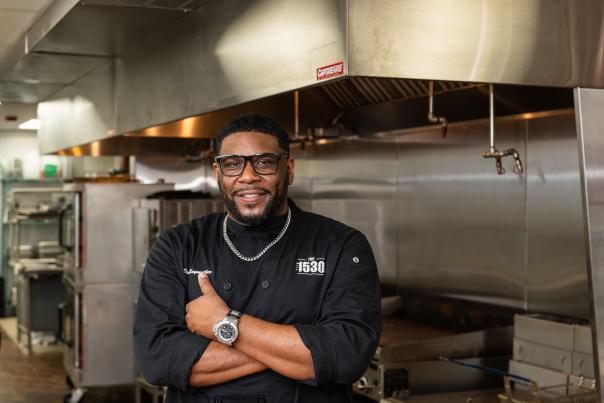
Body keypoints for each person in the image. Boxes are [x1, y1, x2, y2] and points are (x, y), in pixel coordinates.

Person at [133, 113, 381, 402]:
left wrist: (223, 323)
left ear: (288, 169)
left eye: (264, 162)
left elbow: (347, 356)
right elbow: (157, 361)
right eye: (233, 164)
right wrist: (298, 350)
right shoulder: (177, 245)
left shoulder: (341, 245)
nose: (248, 176)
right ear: (218, 172)